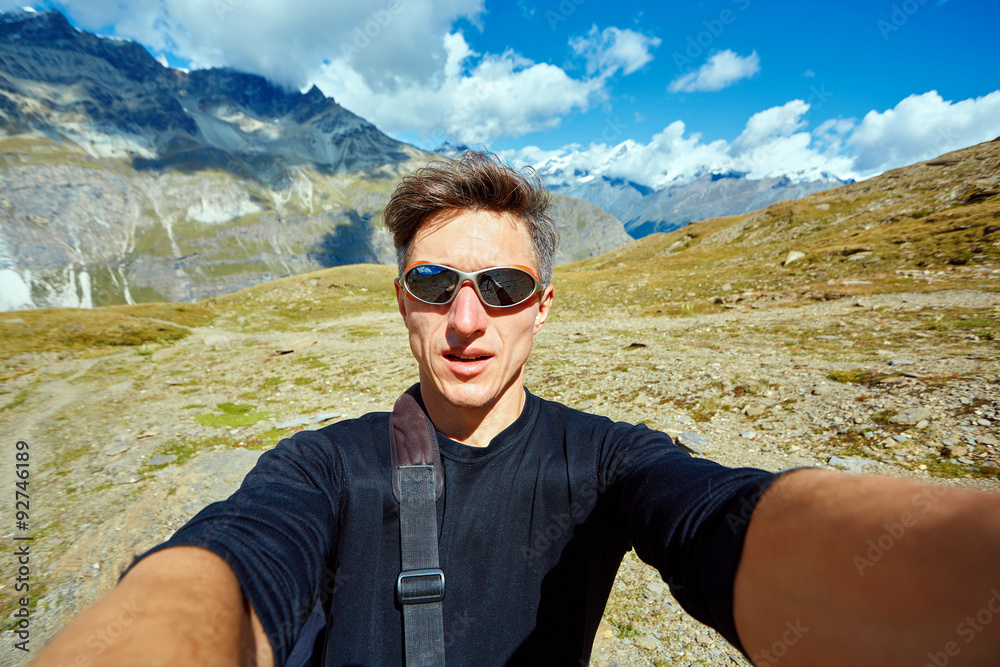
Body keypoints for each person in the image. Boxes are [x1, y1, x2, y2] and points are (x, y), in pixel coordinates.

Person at [32, 151, 1000, 667]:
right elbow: (233, 565)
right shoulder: (320, 467)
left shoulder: (609, 460)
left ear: (542, 307)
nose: (466, 320)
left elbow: (725, 521)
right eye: (434, 284)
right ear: (401, 302)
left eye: (502, 287)